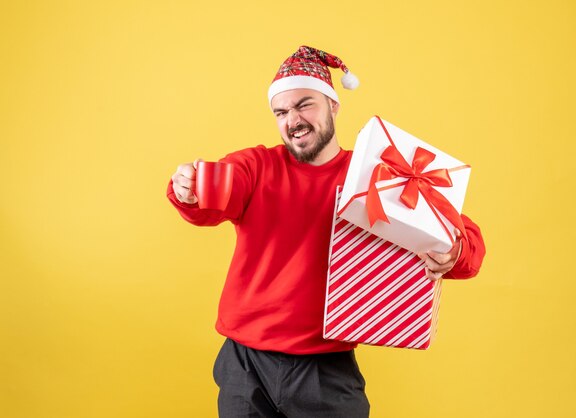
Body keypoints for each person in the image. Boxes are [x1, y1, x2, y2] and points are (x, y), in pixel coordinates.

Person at [167, 45, 486, 418]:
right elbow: (213, 199)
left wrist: (453, 251)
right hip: (245, 364)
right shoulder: (256, 165)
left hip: (325, 368)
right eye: (281, 112)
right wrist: (187, 188)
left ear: (333, 105)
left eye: (305, 105)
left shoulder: (374, 175)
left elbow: (466, 241)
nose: (293, 120)